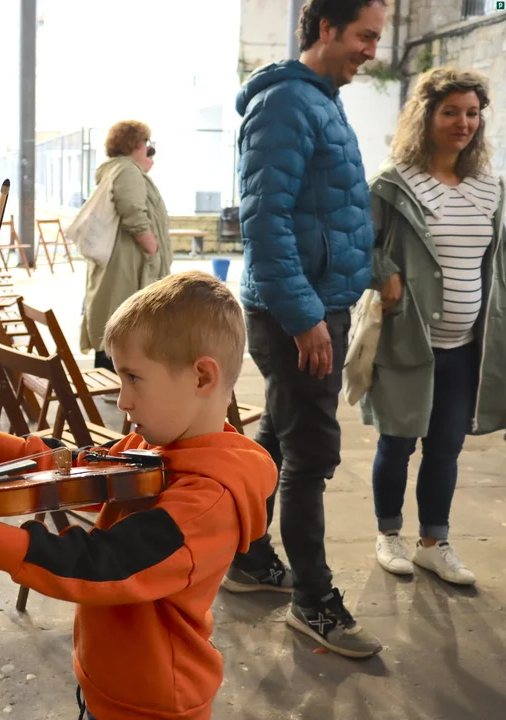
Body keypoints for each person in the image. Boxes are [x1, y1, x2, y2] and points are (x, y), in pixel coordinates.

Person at [0, 271, 276, 720]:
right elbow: (81, 469)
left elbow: (101, 564)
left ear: (202, 376)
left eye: (134, 378)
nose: (123, 400)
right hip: (108, 684)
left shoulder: (207, 504)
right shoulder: (155, 444)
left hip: (151, 705)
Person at [225, 0, 387, 658]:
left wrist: (364, 274)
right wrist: (305, 317)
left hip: (316, 304)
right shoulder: (288, 103)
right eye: (365, 36)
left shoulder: (320, 99)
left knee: (278, 438)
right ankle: (314, 603)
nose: (372, 50)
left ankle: (247, 557)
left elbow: (328, 208)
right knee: (310, 456)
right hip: (299, 313)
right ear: (326, 28)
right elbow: (265, 220)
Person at [364, 68, 505, 586]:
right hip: (408, 339)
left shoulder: (490, 188)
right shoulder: (394, 182)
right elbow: (360, 242)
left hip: (466, 348)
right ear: (426, 116)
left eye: (472, 113)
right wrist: (384, 272)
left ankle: (433, 543)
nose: (463, 123)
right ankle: (388, 534)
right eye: (450, 112)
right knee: (397, 442)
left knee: (446, 447)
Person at [79, 120, 171, 371]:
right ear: (136, 144)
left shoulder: (117, 170)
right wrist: (152, 247)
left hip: (121, 262)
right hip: (128, 264)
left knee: (114, 318)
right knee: (125, 322)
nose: (148, 149)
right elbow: (132, 211)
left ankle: (111, 379)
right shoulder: (127, 171)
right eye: (145, 143)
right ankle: (117, 382)